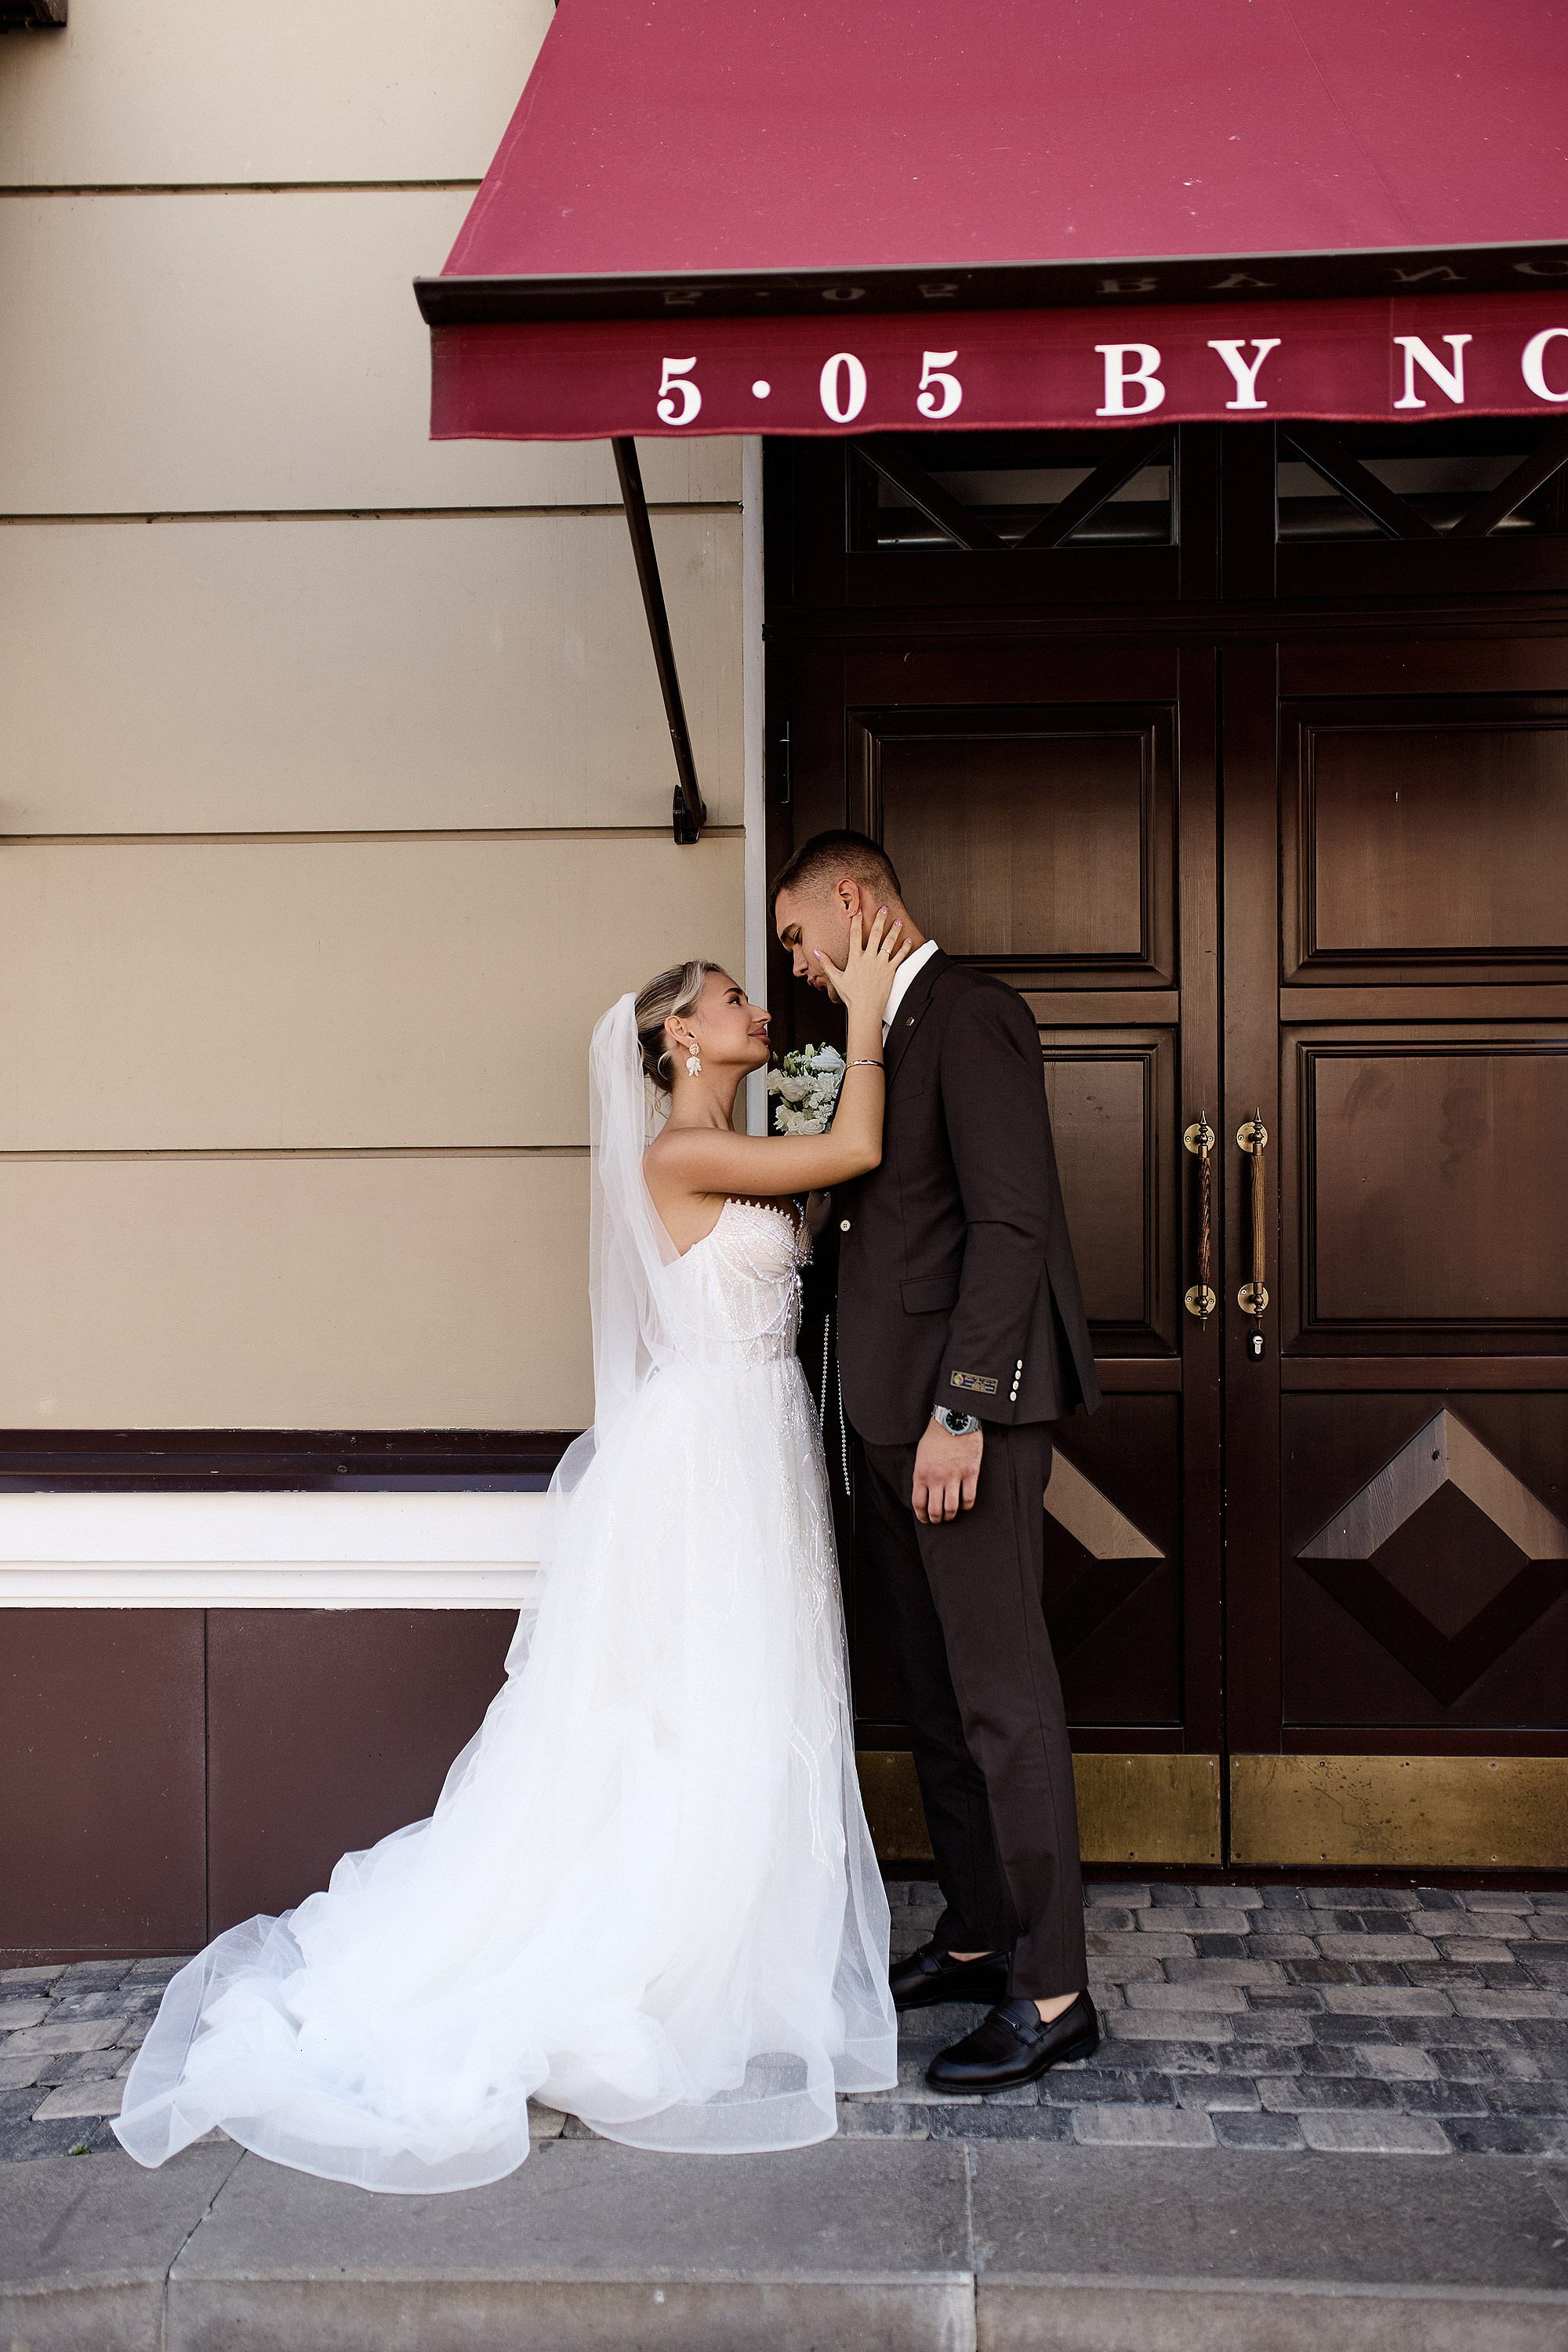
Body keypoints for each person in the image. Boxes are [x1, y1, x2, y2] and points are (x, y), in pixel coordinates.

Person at [112, 914, 913, 2194]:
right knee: (700, 1695)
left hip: (751, 1436)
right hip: (708, 1453)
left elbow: (821, 1187)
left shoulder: (732, 1143)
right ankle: (671, 1944)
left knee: (752, 1690)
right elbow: (858, 1147)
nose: (756, 1011)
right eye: (730, 999)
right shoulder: (687, 1150)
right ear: (677, 1035)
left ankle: (748, 1937)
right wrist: (866, 1011)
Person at [773, 830, 1102, 2094]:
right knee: (939, 1698)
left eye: (802, 935)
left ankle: (1056, 1990)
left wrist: (964, 1409)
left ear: (854, 904)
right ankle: (976, 1934)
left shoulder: (971, 1017)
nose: (798, 965)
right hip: (886, 1424)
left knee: (1003, 1701)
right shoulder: (880, 1035)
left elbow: (1012, 1223)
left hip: (962, 1426)